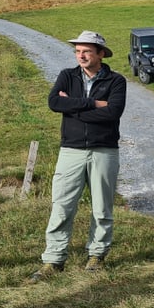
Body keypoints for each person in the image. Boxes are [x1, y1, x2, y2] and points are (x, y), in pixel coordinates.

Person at [30, 31, 127, 282]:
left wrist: (73, 106)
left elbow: (113, 112)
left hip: (104, 150)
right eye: (77, 51)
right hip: (71, 150)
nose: (80, 55)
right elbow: (54, 103)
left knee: (102, 207)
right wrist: (93, 104)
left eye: (86, 51)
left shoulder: (116, 81)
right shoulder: (67, 75)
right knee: (61, 206)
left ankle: (96, 255)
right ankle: (54, 259)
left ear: (100, 54)